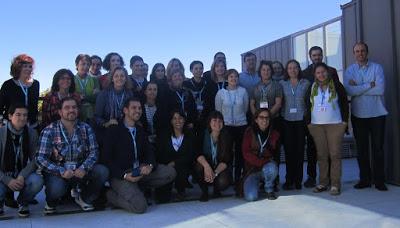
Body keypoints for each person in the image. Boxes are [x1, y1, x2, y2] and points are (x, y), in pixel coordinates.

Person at [36, 97, 109, 214]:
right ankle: (52, 201)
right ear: (60, 112)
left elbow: (94, 152)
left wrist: (84, 167)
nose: (71, 110)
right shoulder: (49, 130)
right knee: (56, 188)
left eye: (74, 107)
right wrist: (60, 170)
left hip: (80, 170)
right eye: (67, 107)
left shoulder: (86, 128)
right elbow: (40, 158)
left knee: (102, 171)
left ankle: (84, 198)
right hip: (59, 172)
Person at [103, 97, 176, 213]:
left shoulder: (140, 129)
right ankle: (111, 196)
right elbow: (106, 160)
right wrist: (125, 175)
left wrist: (150, 166)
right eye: (134, 108)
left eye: (139, 108)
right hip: (121, 175)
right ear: (125, 110)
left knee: (170, 172)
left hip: (139, 171)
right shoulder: (114, 130)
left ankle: (138, 187)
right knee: (140, 207)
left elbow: (149, 151)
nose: (138, 110)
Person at [344, 42, 388, 191]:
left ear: (367, 52)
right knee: (362, 149)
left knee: (378, 149)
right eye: (357, 51)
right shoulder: (350, 71)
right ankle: (365, 179)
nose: (360, 53)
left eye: (362, 51)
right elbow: (350, 91)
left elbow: (380, 89)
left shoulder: (377, 68)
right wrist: (370, 84)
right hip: (358, 115)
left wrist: (359, 87)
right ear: (354, 54)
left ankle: (379, 181)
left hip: (377, 114)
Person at [305, 62, 349, 195]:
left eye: (323, 72)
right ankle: (323, 182)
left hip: (335, 125)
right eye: (318, 73)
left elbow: (344, 103)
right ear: (315, 75)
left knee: (334, 154)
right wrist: (309, 123)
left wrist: (344, 122)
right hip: (317, 126)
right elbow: (307, 104)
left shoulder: (336, 85)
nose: (321, 74)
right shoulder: (312, 87)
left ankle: (335, 184)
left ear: (328, 72)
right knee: (322, 155)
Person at [302, 46, 340, 187]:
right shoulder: (304, 73)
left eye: (319, 55)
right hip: (313, 119)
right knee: (312, 149)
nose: (316, 57)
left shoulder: (332, 71)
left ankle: (330, 177)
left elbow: (338, 94)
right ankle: (311, 177)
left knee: (330, 151)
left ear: (322, 55)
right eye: (314, 55)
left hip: (331, 119)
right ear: (310, 56)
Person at [0, 104, 43, 217]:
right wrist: (7, 180)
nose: (22, 118)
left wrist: (22, 175)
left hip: (21, 175)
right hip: (3, 175)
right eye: (18, 114)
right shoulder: (1, 133)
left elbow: (36, 159)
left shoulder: (31, 133)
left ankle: (23, 202)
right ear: (10, 116)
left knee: (37, 181)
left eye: (25, 115)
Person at [250, 60, 283, 190]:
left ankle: (274, 180)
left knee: (274, 151)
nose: (266, 72)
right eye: (263, 70)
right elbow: (252, 104)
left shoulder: (277, 86)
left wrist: (267, 117)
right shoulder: (255, 87)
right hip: (259, 124)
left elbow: (278, 103)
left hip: (274, 121)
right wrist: (258, 118)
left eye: (268, 70)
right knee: (260, 150)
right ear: (260, 72)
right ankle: (262, 178)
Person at [279, 60, 310, 190]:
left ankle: (298, 180)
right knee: (289, 151)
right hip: (287, 120)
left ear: (299, 69)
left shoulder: (306, 83)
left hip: (301, 120)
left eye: (295, 67)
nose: (293, 70)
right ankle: (289, 179)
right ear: (287, 70)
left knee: (299, 151)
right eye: (290, 68)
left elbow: (309, 101)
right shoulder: (282, 84)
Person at [215, 69, 249, 185]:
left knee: (240, 152)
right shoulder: (221, 93)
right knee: (227, 152)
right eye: (231, 77)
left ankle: (238, 177)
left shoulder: (243, 91)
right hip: (227, 126)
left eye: (235, 77)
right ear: (226, 79)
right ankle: (227, 177)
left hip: (241, 125)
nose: (233, 79)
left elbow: (245, 108)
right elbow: (218, 111)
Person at [155, 110, 195, 202]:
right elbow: (160, 153)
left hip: (182, 167)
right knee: (162, 198)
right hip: (166, 167)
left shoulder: (190, 135)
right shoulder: (164, 135)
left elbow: (190, 155)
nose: (178, 121)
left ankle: (181, 189)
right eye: (175, 118)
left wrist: (175, 163)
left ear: (184, 120)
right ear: (171, 121)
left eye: (180, 118)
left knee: (182, 169)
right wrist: (169, 165)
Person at [241, 108, 280, 201]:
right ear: (256, 119)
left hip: (266, 168)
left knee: (272, 167)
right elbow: (246, 153)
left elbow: (276, 156)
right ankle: (256, 184)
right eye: (261, 117)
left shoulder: (274, 134)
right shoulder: (249, 132)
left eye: (267, 118)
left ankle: (269, 188)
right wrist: (261, 162)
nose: (264, 120)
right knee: (251, 197)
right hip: (252, 170)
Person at [194, 111, 233, 202]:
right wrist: (207, 167)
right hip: (206, 164)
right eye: (214, 120)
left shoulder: (227, 137)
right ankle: (205, 191)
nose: (217, 123)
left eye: (220, 121)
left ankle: (217, 189)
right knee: (198, 167)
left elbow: (227, 160)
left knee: (224, 181)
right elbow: (197, 153)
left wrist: (214, 173)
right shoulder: (202, 134)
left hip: (219, 167)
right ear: (209, 122)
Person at [0, 54, 40, 128]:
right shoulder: (8, 84)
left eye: (30, 66)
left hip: (31, 126)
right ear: (18, 68)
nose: (28, 69)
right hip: (11, 126)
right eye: (25, 66)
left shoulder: (36, 84)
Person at [74, 54, 100, 123]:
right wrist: (89, 97)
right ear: (77, 65)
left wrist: (82, 97)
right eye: (83, 64)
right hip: (75, 114)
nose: (86, 66)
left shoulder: (95, 80)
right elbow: (71, 96)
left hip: (91, 116)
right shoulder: (71, 79)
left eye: (88, 64)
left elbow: (96, 97)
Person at [183, 61, 207, 133]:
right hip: (191, 119)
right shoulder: (186, 84)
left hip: (205, 118)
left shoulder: (207, 83)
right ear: (191, 70)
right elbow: (186, 103)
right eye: (196, 69)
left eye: (200, 68)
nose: (198, 71)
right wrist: (189, 120)